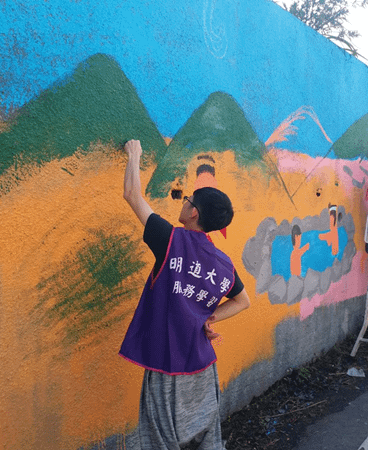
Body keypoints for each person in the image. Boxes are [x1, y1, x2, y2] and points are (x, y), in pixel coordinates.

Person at [119, 139, 251, 449]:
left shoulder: (170, 240)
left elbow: (131, 195)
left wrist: (134, 153)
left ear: (194, 213)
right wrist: (210, 316)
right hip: (203, 366)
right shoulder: (223, 263)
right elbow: (243, 301)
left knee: (160, 440)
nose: (184, 201)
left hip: (167, 364)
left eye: (188, 199)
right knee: (204, 437)